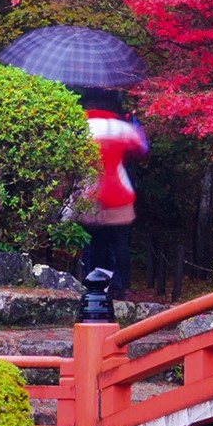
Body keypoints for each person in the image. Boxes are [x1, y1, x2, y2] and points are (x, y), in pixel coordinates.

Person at [71, 95, 147, 322]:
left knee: (92, 246)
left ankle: (90, 288)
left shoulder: (80, 127)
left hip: (89, 195)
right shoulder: (121, 127)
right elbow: (141, 149)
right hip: (119, 194)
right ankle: (120, 287)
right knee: (119, 245)